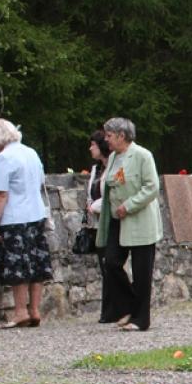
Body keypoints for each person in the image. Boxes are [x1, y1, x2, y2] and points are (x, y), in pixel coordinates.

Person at [95, 117, 163, 331]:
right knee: (111, 262)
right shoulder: (114, 156)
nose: (106, 140)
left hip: (140, 220)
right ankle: (129, 306)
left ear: (121, 136)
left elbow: (152, 187)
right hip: (118, 220)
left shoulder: (142, 155)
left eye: (109, 136)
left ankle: (141, 318)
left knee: (142, 271)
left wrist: (130, 205)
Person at [0, 118, 52, 328]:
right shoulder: (31, 152)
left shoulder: (4, 158)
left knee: (18, 264)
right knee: (36, 261)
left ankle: (21, 310)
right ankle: (35, 309)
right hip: (36, 213)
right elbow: (41, 180)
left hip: (15, 216)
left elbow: (1, 193)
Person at [86, 130, 114, 322]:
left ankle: (117, 307)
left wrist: (96, 206)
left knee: (112, 264)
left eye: (93, 145)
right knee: (104, 265)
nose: (90, 148)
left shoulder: (114, 166)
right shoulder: (96, 170)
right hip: (97, 224)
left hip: (112, 220)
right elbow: (91, 193)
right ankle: (108, 310)